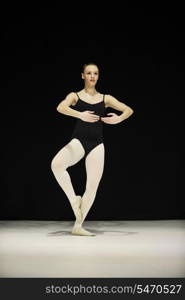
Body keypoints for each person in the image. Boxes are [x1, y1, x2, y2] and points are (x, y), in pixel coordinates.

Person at [51, 63, 134, 236]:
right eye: (88, 73)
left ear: (98, 76)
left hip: (97, 144)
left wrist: (118, 119)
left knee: (92, 186)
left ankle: (78, 226)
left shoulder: (105, 98)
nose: (92, 76)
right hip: (79, 140)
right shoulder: (75, 96)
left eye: (95, 73)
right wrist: (79, 114)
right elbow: (61, 107)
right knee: (57, 165)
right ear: (82, 75)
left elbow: (128, 110)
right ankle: (74, 200)